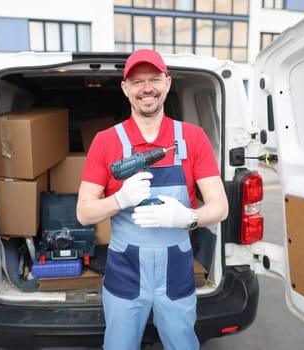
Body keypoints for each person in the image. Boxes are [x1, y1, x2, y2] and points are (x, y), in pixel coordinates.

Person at [76, 49, 228, 350]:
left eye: (155, 79)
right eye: (137, 81)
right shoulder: (106, 141)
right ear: (125, 89)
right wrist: (119, 199)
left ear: (167, 83)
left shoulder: (193, 138)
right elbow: (84, 213)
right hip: (125, 269)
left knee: (183, 344)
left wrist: (188, 217)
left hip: (176, 268)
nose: (147, 88)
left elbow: (220, 206)